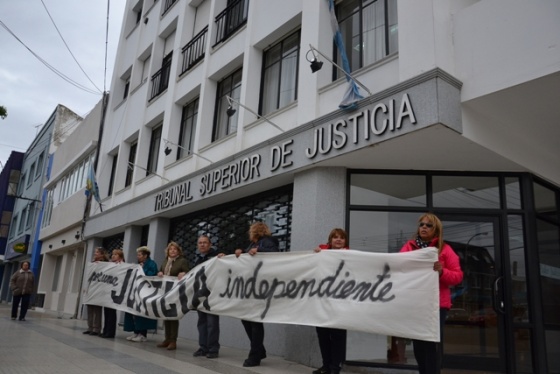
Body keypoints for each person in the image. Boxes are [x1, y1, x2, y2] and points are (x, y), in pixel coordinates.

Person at [400, 213, 463, 374]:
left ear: (436, 230)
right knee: (418, 344)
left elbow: (457, 276)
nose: (424, 227)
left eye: (428, 225)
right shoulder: (409, 247)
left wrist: (442, 272)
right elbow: (398, 267)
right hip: (415, 304)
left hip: (436, 305)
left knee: (431, 345)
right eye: (421, 224)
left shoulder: (445, 249)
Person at [234, 222, 279, 367]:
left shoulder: (268, 241)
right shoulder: (252, 244)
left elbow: (275, 254)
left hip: (261, 287)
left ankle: (255, 356)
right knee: (247, 319)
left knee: (254, 321)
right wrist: (240, 253)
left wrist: (258, 250)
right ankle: (259, 350)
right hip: (251, 287)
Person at [312, 228, 349, 374]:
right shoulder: (321, 253)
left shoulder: (351, 256)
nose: (338, 240)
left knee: (337, 336)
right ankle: (326, 365)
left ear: (345, 241)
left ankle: (335, 367)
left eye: (341, 238)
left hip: (340, 303)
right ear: (330, 240)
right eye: (335, 237)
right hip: (322, 302)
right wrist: (315, 255)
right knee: (323, 336)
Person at [192, 235, 225, 359]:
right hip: (201, 296)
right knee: (202, 323)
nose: (202, 245)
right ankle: (203, 347)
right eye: (200, 243)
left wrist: (222, 258)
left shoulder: (217, 256)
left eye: (205, 242)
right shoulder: (198, 259)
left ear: (210, 244)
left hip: (213, 295)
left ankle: (213, 349)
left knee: (212, 323)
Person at [156, 241, 190, 350]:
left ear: (178, 251)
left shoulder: (182, 261)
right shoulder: (165, 261)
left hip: (176, 292)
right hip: (165, 291)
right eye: (171, 249)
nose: (173, 251)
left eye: (175, 249)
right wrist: (159, 273)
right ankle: (167, 338)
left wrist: (184, 274)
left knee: (173, 316)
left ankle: (173, 340)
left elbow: (189, 273)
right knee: (166, 315)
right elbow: (161, 271)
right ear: (168, 251)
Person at [124, 246, 158, 342]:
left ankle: (143, 334)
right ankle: (136, 331)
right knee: (135, 312)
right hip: (136, 292)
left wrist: (142, 270)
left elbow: (152, 275)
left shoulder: (152, 264)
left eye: (139, 255)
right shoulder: (138, 264)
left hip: (145, 292)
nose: (138, 257)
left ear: (145, 255)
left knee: (142, 313)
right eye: (137, 255)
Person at [83, 247, 109, 336]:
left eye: (97, 252)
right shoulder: (92, 263)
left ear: (102, 254)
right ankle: (90, 327)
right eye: (95, 252)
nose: (95, 254)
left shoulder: (105, 264)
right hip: (91, 288)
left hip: (99, 289)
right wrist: (86, 287)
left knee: (97, 310)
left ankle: (96, 328)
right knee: (90, 309)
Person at [100, 249, 125, 338]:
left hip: (115, 291)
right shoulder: (110, 265)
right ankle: (105, 329)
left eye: (116, 254)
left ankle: (110, 332)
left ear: (120, 257)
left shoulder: (122, 266)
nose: (113, 256)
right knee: (106, 311)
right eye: (113, 254)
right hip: (108, 291)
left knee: (111, 312)